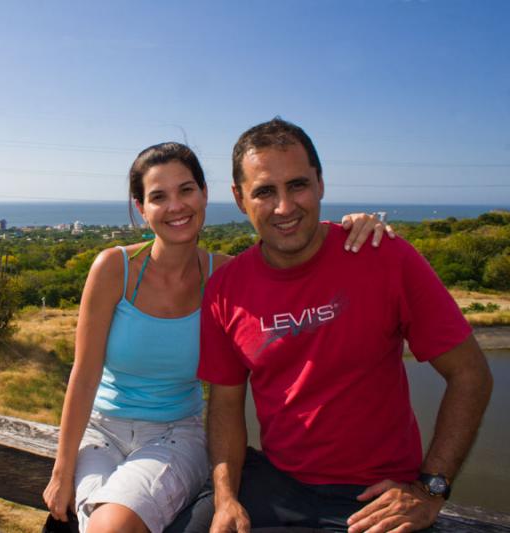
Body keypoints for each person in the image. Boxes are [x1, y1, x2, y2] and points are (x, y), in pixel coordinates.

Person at [43, 142, 392, 533]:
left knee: (109, 527)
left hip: (176, 434)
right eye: (159, 196)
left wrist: (354, 229)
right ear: (142, 209)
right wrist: (62, 469)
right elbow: (85, 374)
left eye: (186, 190)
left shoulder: (224, 277)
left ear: (206, 194)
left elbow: (294, 256)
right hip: (102, 430)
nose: (176, 206)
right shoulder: (114, 269)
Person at [174, 118, 493, 533]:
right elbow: (226, 407)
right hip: (275, 482)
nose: (285, 207)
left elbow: (470, 374)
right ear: (239, 199)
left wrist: (431, 488)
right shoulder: (225, 289)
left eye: (298, 185)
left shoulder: (383, 256)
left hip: (371, 495)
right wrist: (226, 498)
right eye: (265, 192)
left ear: (321, 183)